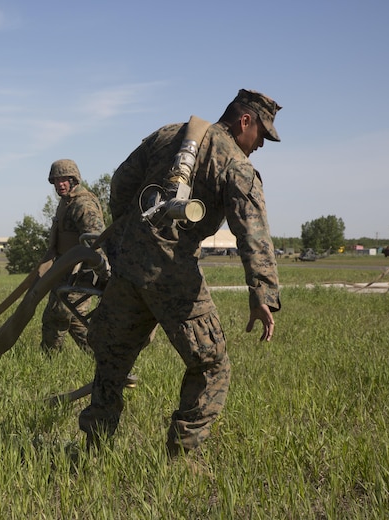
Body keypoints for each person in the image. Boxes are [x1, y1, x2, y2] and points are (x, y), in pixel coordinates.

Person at [78, 89, 282, 459]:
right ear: (245, 121)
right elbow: (252, 232)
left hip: (127, 268)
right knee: (212, 366)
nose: (261, 145)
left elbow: (122, 183)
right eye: (262, 135)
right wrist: (263, 294)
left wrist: (131, 236)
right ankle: (182, 458)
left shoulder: (168, 134)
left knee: (112, 360)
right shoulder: (236, 165)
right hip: (172, 273)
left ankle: (95, 449)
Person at [38, 159, 106, 354]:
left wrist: (103, 273)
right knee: (74, 317)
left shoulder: (82, 204)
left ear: (74, 179)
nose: (60, 184)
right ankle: (99, 356)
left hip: (82, 271)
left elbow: (96, 240)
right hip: (65, 268)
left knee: (58, 314)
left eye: (64, 179)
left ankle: (48, 358)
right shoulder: (66, 202)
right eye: (56, 180)